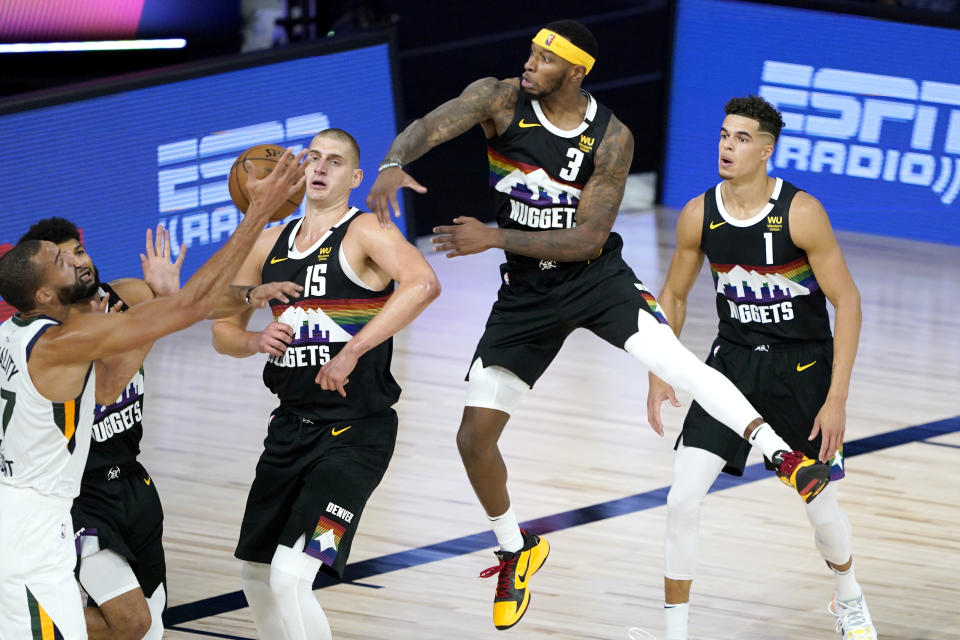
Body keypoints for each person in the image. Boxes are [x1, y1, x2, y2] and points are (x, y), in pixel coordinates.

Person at [366, 20, 833, 632]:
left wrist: (494, 236)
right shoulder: (500, 98)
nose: (529, 62)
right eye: (530, 50)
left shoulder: (612, 137)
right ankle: (516, 549)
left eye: (543, 56)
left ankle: (783, 458)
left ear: (576, 71)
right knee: (471, 438)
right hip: (526, 296)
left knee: (679, 364)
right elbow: (434, 123)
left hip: (594, 280)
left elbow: (587, 240)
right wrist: (391, 163)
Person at [0, 148, 307, 640]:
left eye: (73, 249)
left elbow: (164, 327)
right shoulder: (63, 343)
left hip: (50, 513)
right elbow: (186, 308)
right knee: (128, 625)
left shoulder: (17, 333)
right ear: (43, 295)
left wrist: (225, 298)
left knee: (145, 630)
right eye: (60, 259)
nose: (75, 258)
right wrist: (256, 215)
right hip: (35, 523)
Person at [646, 95, 876, 639]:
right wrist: (658, 365)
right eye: (725, 135)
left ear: (766, 150)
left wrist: (837, 396)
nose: (728, 146)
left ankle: (849, 598)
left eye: (742, 138)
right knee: (681, 499)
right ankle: (675, 633)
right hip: (731, 367)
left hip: (803, 370)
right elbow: (673, 297)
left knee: (820, 508)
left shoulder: (800, 211)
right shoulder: (698, 212)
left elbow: (849, 302)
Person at [211, 128, 440, 640]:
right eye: (313, 157)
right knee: (255, 575)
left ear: (356, 178)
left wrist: (353, 350)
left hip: (356, 436)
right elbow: (221, 326)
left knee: (292, 576)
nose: (319, 167)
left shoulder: (366, 232)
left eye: (334, 162)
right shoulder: (269, 242)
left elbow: (424, 283)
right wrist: (254, 340)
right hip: (289, 430)